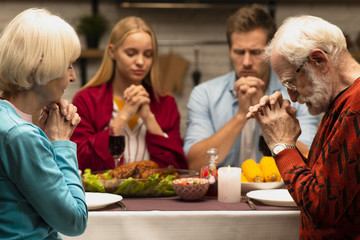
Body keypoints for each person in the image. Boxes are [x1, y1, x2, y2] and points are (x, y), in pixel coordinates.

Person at [247, 15, 360, 239]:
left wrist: (282, 145)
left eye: (291, 82)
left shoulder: (357, 106)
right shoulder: (341, 102)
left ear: (319, 60)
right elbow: (319, 185)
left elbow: (320, 208)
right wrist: (281, 138)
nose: (293, 96)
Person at [184, 4, 319, 171]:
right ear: (229, 50)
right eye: (239, 52)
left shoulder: (297, 95)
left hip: (278, 195)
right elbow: (194, 164)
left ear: (271, 51)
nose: (246, 62)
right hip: (222, 195)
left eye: (256, 52)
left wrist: (266, 118)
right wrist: (241, 115)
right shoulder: (204, 94)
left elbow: (311, 162)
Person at [0, 8, 87, 239]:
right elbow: (75, 221)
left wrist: (44, 138)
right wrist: (60, 143)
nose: (73, 77)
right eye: (69, 65)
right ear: (41, 66)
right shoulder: (20, 135)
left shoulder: (9, 122)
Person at [71, 16, 188, 171]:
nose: (140, 61)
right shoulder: (86, 100)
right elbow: (79, 161)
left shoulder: (166, 102)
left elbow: (177, 167)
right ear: (112, 52)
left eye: (148, 54)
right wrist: (122, 117)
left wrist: (149, 118)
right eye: (131, 53)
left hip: (155, 195)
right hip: (105, 195)